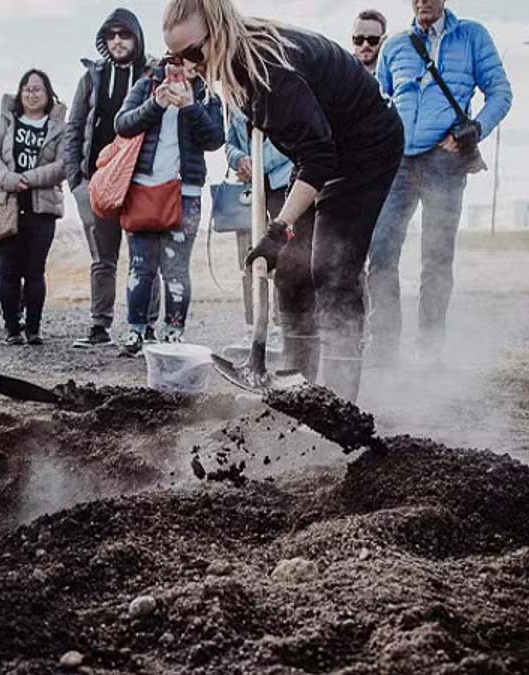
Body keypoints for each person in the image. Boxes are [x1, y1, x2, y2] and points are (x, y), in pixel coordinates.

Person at [161, 0, 404, 401]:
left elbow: (319, 158)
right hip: (323, 148)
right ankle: (299, 387)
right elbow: (305, 144)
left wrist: (278, 230)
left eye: (193, 53)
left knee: (332, 270)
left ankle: (341, 402)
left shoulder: (272, 71)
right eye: (176, 56)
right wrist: (282, 240)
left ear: (218, 32)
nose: (188, 66)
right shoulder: (237, 62)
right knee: (291, 269)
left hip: (365, 150)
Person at [366, 0, 513, 365]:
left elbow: (501, 93)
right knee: (381, 254)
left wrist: (475, 130)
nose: (423, 1)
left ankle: (429, 350)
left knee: (436, 259)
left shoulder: (472, 36)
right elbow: (377, 99)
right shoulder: (394, 45)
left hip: (444, 162)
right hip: (398, 161)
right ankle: (384, 349)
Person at [114, 57, 224, 356]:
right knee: (140, 267)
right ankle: (136, 332)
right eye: (180, 59)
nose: (187, 66)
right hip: (142, 190)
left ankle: (174, 334)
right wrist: (156, 103)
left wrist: (190, 106)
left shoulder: (206, 94)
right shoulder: (147, 84)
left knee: (176, 270)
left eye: (194, 60)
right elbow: (122, 124)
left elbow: (215, 139)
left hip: (185, 192)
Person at [64, 9, 160, 349]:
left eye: (125, 34)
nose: (117, 40)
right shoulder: (92, 77)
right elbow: (74, 129)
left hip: (141, 182)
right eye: (111, 35)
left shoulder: (153, 75)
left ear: (136, 37)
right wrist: (75, 181)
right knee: (102, 259)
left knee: (144, 259)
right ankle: (99, 327)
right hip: (98, 183)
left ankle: (147, 327)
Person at [0, 70, 68, 346]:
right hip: (7, 204)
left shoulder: (59, 126)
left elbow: (62, 165)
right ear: (20, 93)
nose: (32, 94)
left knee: (35, 271)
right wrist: (10, 179)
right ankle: (11, 328)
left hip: (42, 207)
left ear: (48, 93)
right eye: (27, 89)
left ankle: (33, 328)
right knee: (8, 270)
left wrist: (27, 179)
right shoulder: (2, 122)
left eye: (38, 89)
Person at [225, 108, 291, 219]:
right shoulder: (235, 102)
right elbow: (230, 144)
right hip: (253, 187)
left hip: (284, 183)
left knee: (286, 233)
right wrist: (239, 159)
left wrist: (255, 167)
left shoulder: (282, 96)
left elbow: (290, 142)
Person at [352, 9, 387, 76]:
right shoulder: (343, 70)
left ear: (383, 40)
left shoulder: (391, 73)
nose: (365, 45)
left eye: (372, 40)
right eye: (359, 39)